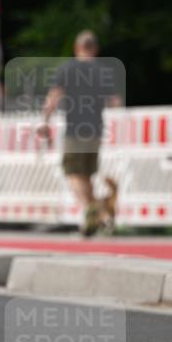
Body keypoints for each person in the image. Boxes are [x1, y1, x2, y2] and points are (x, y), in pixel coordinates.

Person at [37, 30, 122, 236]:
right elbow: (115, 101)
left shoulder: (67, 69)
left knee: (74, 173)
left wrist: (45, 121)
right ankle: (99, 216)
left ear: (77, 48)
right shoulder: (102, 71)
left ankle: (92, 210)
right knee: (87, 174)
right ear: (96, 48)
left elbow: (54, 97)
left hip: (74, 128)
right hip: (95, 129)